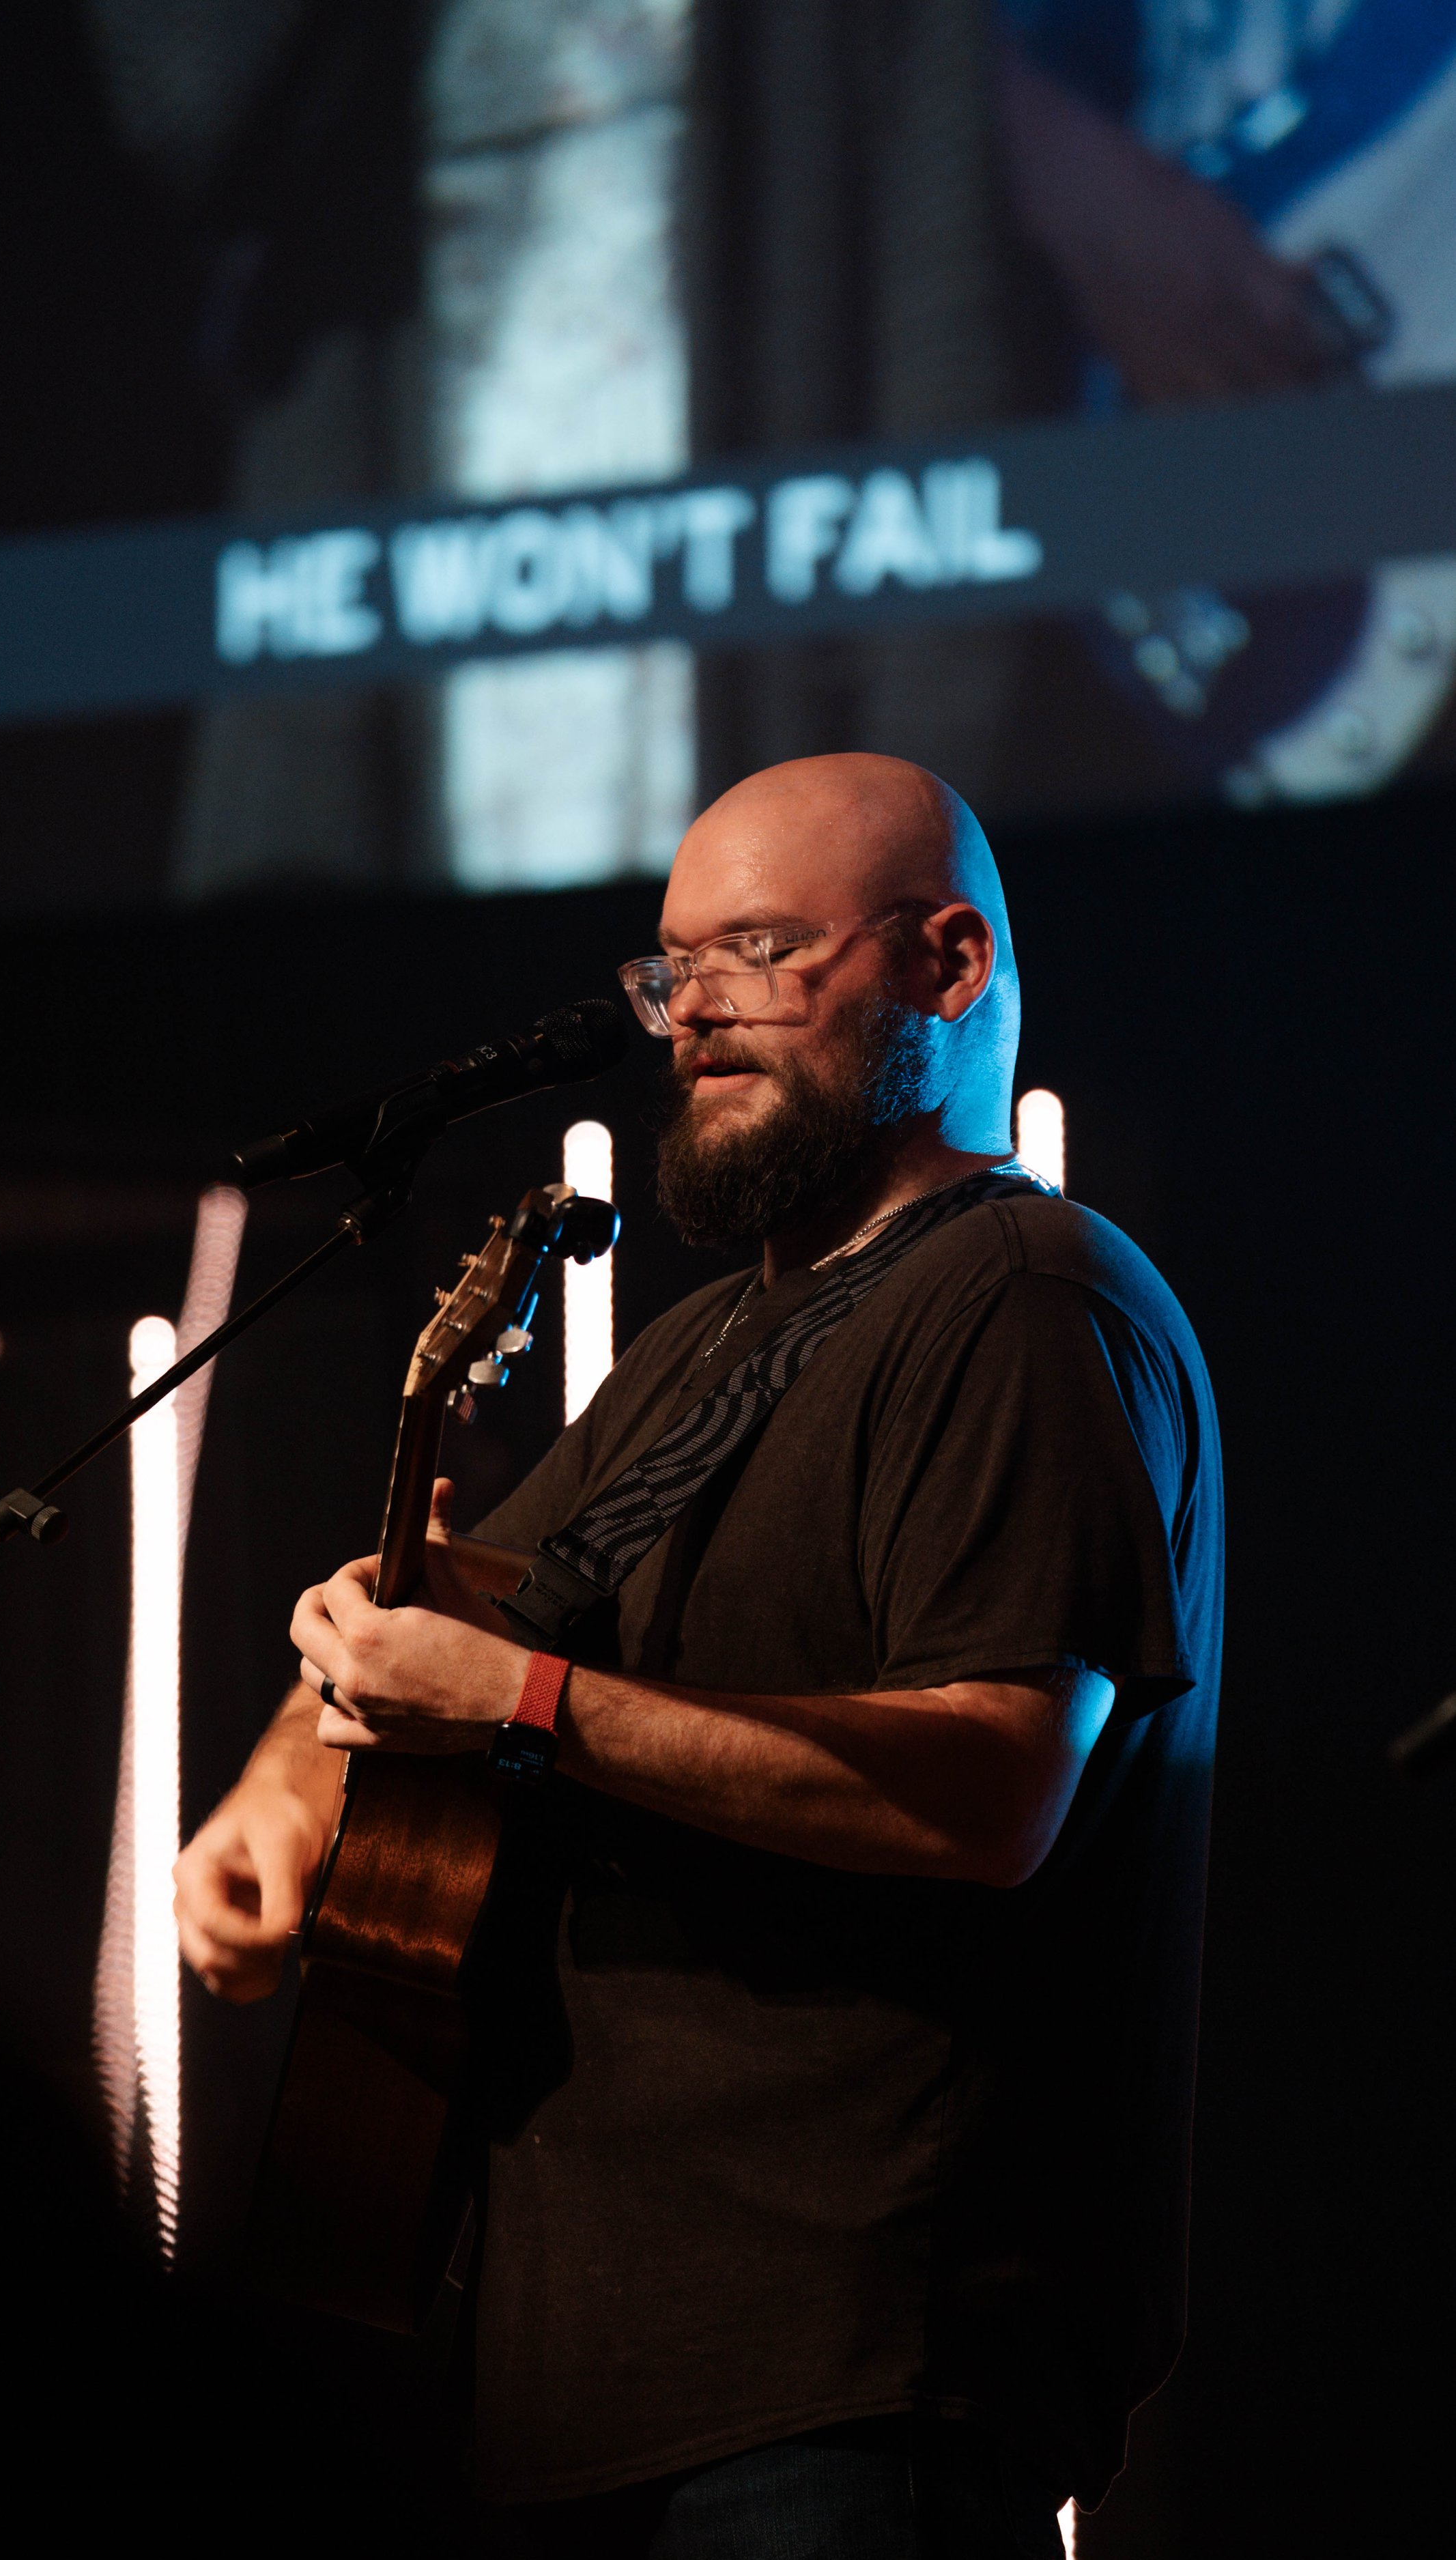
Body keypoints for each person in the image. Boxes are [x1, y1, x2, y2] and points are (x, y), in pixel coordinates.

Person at [173, 754, 1223, 2558]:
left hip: (850, 2366)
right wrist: (290, 1772)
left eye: (761, 950)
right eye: (673, 967)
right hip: (576, 2376)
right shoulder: (702, 1349)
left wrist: (524, 1707)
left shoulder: (1019, 1295)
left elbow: (992, 1787)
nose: (693, 1012)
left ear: (949, 964)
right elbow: (466, 1605)